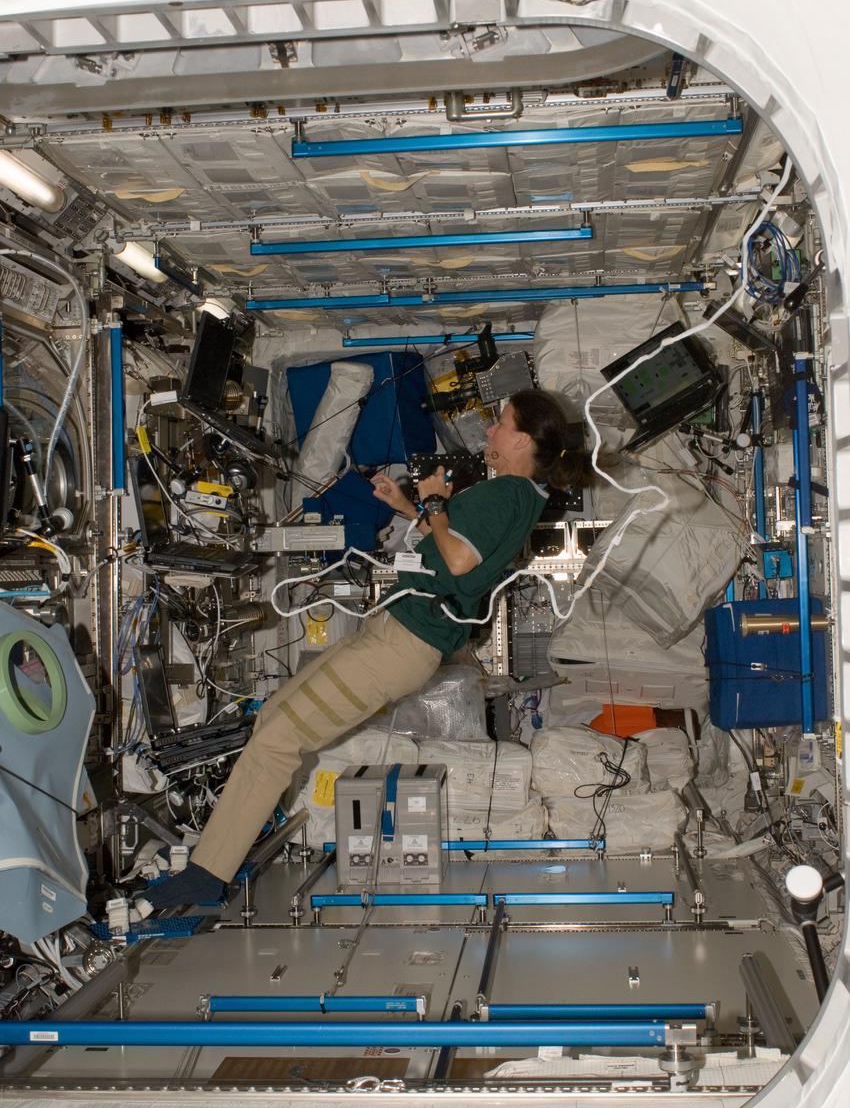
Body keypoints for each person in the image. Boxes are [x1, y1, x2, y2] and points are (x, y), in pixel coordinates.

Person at [142, 388, 587, 908]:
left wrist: (437, 500)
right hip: (396, 635)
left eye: (500, 424)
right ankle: (215, 860)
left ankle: (206, 877)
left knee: (278, 740)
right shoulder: (514, 496)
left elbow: (461, 562)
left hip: (403, 645)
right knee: (273, 724)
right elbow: (451, 550)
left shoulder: (508, 493)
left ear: (523, 439)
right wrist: (409, 506)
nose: (489, 432)